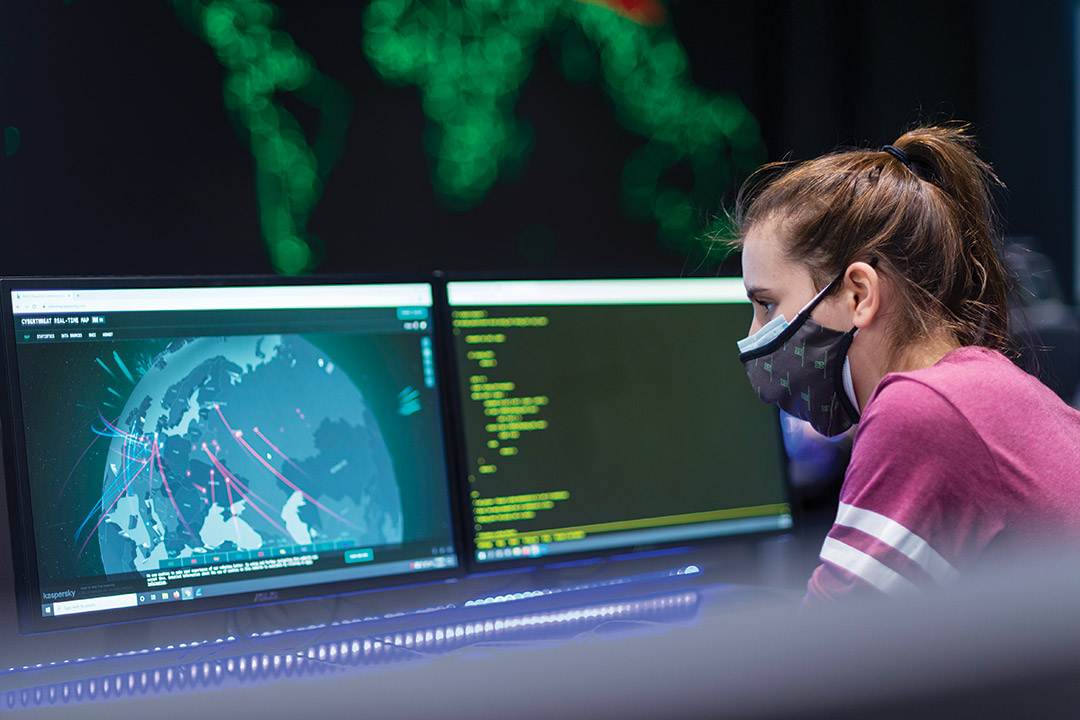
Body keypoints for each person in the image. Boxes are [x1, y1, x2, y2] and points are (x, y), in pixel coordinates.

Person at [730, 123, 1080, 605]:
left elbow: (822, 662)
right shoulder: (990, 388)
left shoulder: (921, 412)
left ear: (859, 294)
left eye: (766, 304)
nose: (753, 337)